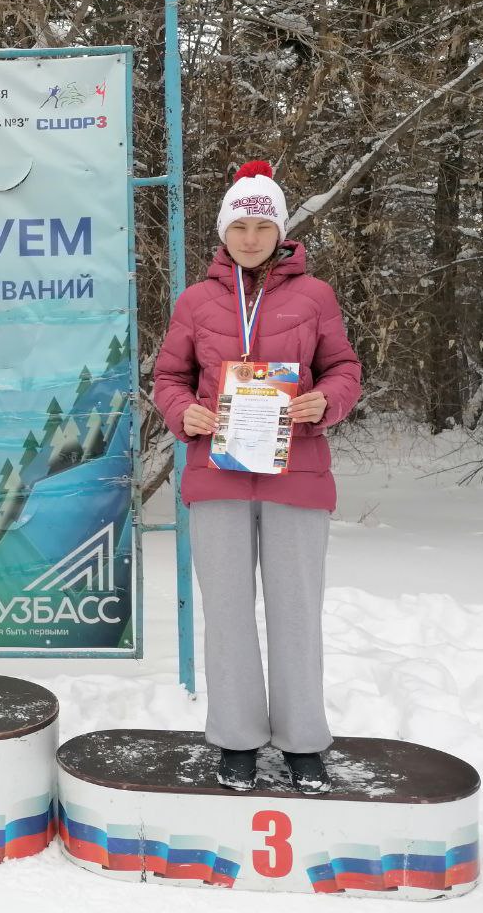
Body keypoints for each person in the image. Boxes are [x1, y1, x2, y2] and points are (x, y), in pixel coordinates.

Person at [152, 161, 361, 794]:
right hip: (217, 473)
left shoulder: (314, 296)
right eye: (239, 224)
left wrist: (327, 401)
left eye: (261, 224)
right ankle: (237, 739)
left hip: (296, 472)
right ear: (224, 229)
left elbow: (344, 369)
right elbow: (168, 377)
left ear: (280, 230)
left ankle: (303, 742)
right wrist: (181, 410)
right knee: (228, 612)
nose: (250, 237)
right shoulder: (197, 301)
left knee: (296, 611)